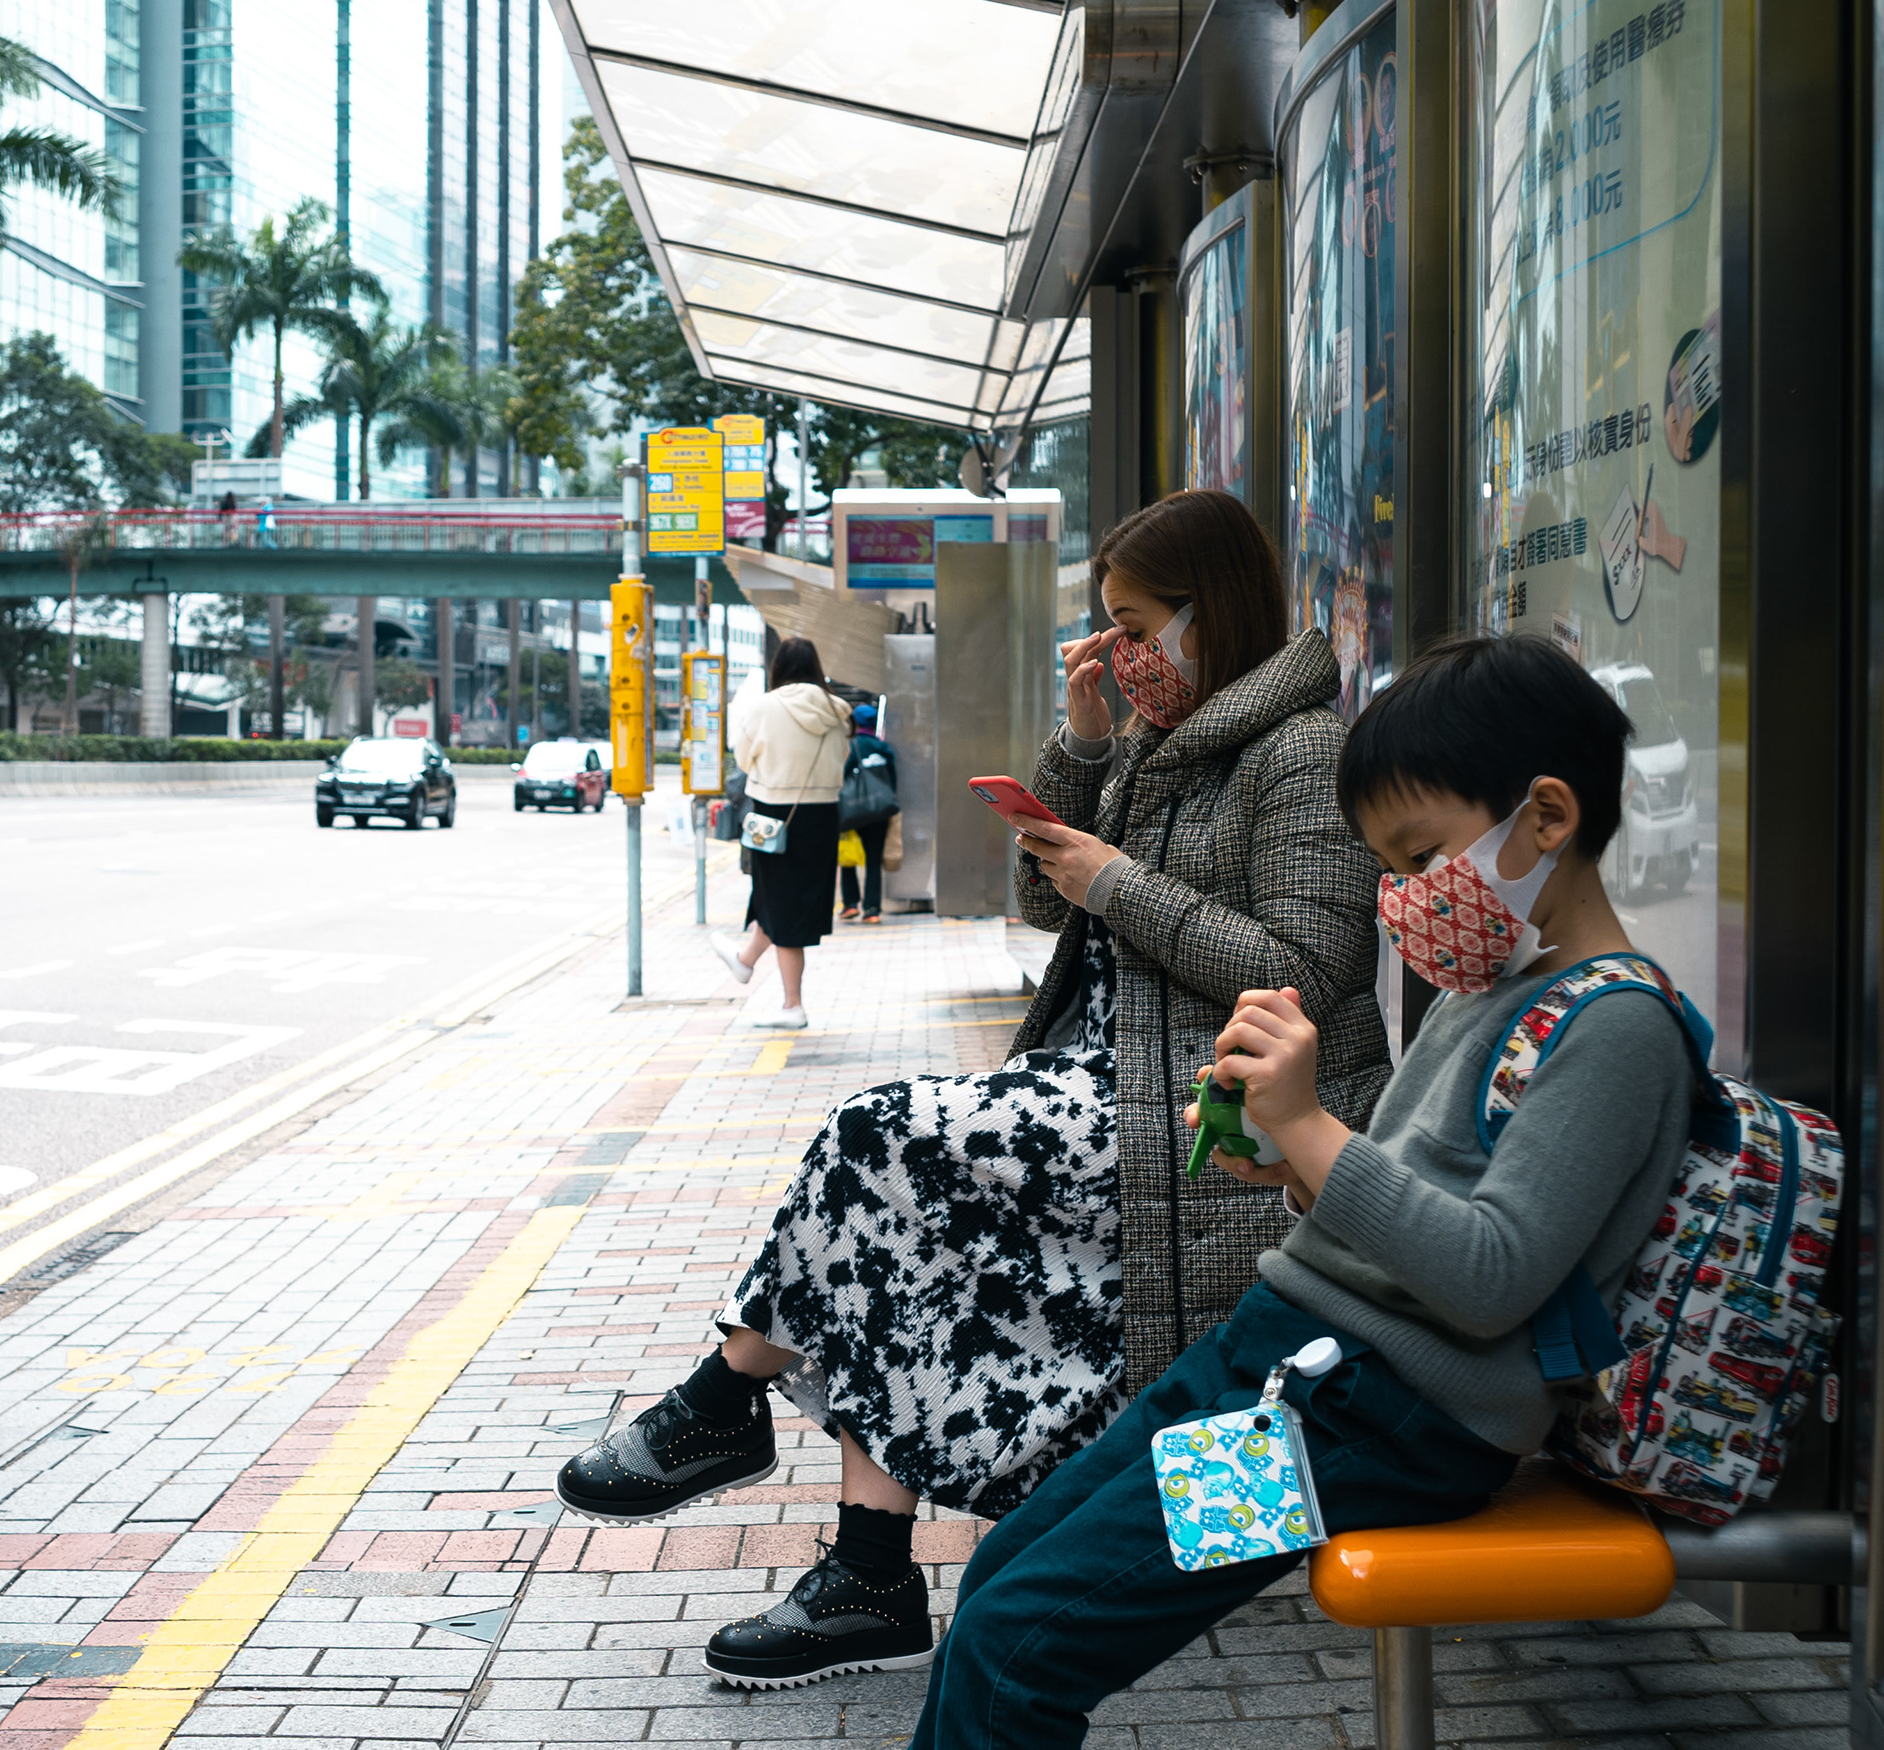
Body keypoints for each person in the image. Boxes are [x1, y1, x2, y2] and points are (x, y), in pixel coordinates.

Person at [698, 633, 1698, 1750]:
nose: (1406, 897)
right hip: (1285, 1364)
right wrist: (1294, 1155)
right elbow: (1414, 1213)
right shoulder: (1498, 985)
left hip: (1366, 1425)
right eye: (1389, 867)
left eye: (1423, 857)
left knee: (1028, 1642)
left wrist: (1314, 1135)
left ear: (1549, 819)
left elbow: (1499, 1275)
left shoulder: (1619, 1026)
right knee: (1013, 1570)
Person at [559, 489, 1386, 1686]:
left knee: (879, 1136)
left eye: (1137, 626)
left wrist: (1115, 880)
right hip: (1105, 1082)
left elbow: (1305, 972)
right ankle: (867, 1569)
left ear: (1218, 610)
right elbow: (1048, 907)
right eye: (1106, 629)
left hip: (1197, 1114)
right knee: (894, 1211)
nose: (1122, 653)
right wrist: (1086, 744)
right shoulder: (1165, 736)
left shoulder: (1299, 749)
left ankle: (730, 1401)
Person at [720, 635, 852, 1028]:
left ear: (778, 668)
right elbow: (842, 758)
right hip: (823, 817)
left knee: (779, 898)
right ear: (814, 667)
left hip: (773, 815)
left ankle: (792, 1005)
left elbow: (743, 757)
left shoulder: (764, 707)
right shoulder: (838, 711)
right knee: (782, 899)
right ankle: (745, 961)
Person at [837, 698, 899, 923]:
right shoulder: (884, 747)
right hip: (879, 812)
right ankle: (872, 909)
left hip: (853, 812)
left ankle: (850, 904)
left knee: (848, 858)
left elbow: (842, 777)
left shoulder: (851, 746)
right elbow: (892, 779)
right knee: (873, 860)